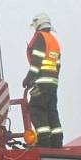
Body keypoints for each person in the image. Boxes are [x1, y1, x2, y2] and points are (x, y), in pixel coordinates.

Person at [23, 12, 63, 148]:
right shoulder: (54, 41)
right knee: (51, 111)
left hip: (41, 83)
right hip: (52, 83)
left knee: (37, 110)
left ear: (38, 24)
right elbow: (58, 65)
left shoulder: (40, 38)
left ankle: (44, 142)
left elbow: (36, 61)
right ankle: (56, 143)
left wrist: (29, 78)